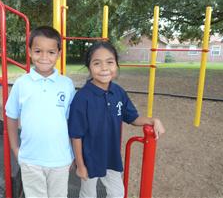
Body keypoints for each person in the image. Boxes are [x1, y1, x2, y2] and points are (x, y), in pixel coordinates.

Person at [68, 41, 165, 198]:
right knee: (88, 194)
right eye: (97, 63)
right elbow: (76, 134)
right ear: (89, 67)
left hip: (112, 157)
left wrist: (153, 120)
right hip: (90, 158)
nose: (104, 68)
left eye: (110, 62)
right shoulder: (82, 97)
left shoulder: (118, 92)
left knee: (117, 193)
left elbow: (133, 117)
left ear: (116, 65)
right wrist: (80, 165)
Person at [5, 26, 76, 198]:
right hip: (30, 160)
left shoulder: (66, 84)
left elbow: (73, 122)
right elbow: (11, 116)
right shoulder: (21, 84)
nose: (44, 57)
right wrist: (16, 150)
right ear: (29, 52)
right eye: (38, 51)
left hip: (60, 160)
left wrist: (73, 154)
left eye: (51, 52)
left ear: (59, 53)